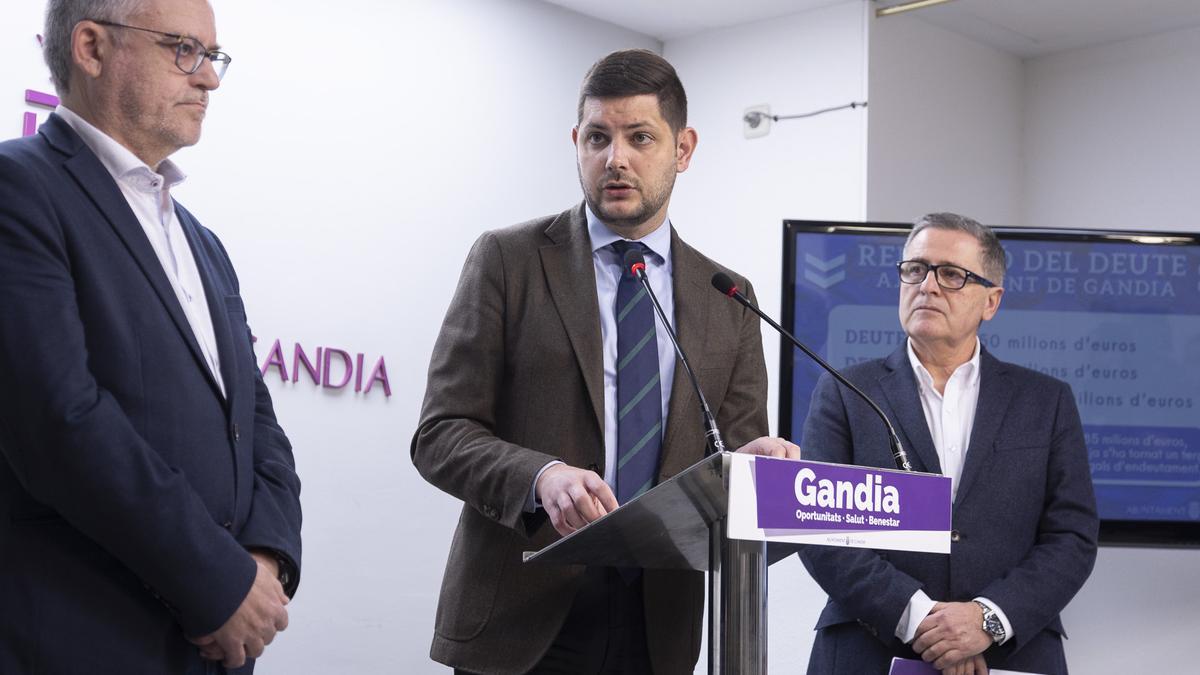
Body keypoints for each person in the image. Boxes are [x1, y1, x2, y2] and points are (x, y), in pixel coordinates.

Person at [411, 49, 798, 675]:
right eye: (598, 137)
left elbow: (726, 456)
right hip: (522, 615)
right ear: (577, 142)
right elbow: (440, 434)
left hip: (659, 623)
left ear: (684, 148)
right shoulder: (509, 261)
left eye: (640, 137)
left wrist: (746, 467)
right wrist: (540, 478)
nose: (615, 159)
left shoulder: (727, 296)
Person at [0, 0, 302, 672]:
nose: (209, 79)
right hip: (83, 637)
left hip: (212, 646)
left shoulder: (204, 243)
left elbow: (257, 423)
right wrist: (219, 582)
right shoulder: (18, 188)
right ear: (92, 47)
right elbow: (59, 422)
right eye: (183, 50)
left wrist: (267, 559)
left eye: (213, 57)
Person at [798, 213, 1098, 675]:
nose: (928, 286)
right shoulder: (844, 391)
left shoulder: (1046, 401)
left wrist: (986, 619)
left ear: (991, 301)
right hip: (870, 649)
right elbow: (819, 530)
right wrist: (922, 619)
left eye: (952, 275)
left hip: (1010, 653)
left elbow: (1071, 537)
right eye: (915, 270)